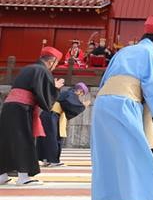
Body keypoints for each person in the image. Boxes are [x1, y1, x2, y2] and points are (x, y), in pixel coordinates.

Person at [89, 17, 153, 200]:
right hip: (125, 102)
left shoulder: (124, 52)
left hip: (103, 102)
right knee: (135, 154)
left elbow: (106, 78)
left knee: (105, 155)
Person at [0, 47, 63, 185]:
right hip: (22, 108)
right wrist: (55, 88)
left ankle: (2, 175)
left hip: (9, 106)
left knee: (6, 140)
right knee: (24, 139)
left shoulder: (28, 68)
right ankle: (24, 177)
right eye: (56, 63)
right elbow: (45, 97)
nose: (55, 67)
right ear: (51, 61)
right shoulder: (42, 71)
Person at [38, 82, 90, 167]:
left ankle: (47, 160)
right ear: (80, 90)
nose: (80, 96)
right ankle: (52, 160)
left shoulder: (66, 93)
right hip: (51, 116)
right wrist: (83, 106)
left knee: (49, 138)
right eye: (82, 94)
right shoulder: (70, 94)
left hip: (51, 115)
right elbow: (72, 106)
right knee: (52, 138)